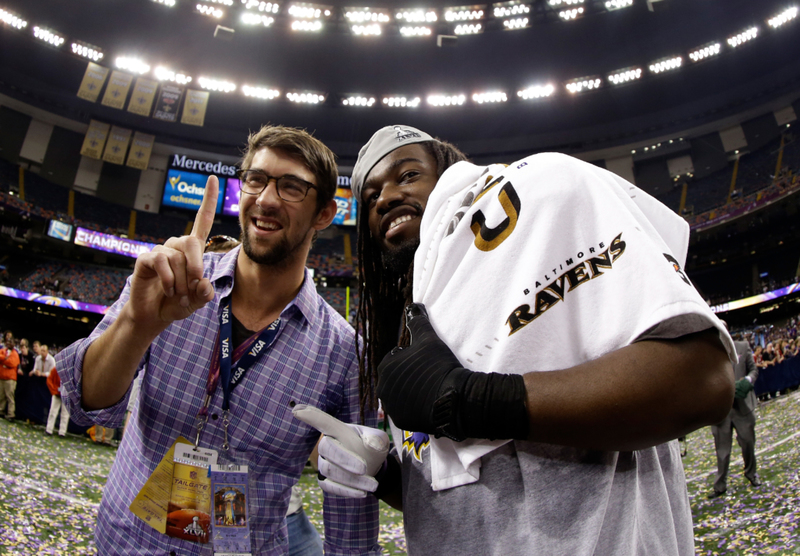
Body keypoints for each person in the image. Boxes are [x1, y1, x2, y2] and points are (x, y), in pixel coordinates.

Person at [301, 125, 737, 555]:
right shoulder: (411, 323)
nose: (387, 198)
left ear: (450, 169)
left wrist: (471, 400)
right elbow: (461, 489)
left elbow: (701, 380)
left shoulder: (537, 196)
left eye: (408, 175)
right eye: (371, 197)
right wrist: (387, 475)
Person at [57, 125, 380, 556]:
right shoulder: (169, 280)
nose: (265, 198)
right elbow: (86, 404)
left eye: (290, 187)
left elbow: (351, 529)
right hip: (124, 541)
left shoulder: (343, 354)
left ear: (325, 213)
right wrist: (138, 325)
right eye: (256, 179)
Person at [708, 332, 760, 498]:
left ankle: (751, 474)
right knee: (722, 451)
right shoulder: (708, 353)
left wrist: (747, 381)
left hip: (742, 407)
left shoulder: (742, 347)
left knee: (748, 444)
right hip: (721, 410)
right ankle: (720, 485)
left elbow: (753, 370)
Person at [44, 354, 70, 437]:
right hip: (57, 394)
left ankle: (62, 432)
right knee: (53, 412)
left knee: (65, 414)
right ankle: (49, 429)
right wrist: (55, 391)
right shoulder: (55, 370)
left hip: (66, 395)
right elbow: (49, 380)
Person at [0, 336, 20, 419]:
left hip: (10, 379)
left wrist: (3, 361)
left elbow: (12, 363)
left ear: (14, 344)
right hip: (2, 377)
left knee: (10, 397)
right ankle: (1, 411)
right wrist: (5, 358)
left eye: (11, 342)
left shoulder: (15, 354)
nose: (9, 343)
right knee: (1, 396)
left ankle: (11, 414)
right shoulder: (3, 351)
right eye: (8, 341)